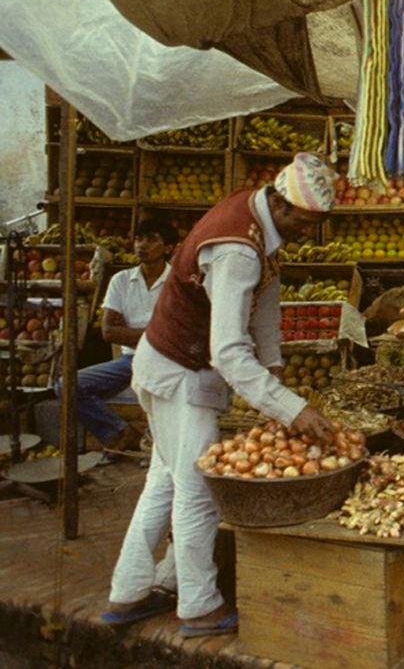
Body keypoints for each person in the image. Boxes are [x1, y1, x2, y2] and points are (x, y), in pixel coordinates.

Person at [104, 153, 338, 637]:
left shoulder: (256, 216)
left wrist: (273, 370)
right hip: (180, 373)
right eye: (304, 223)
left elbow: (265, 300)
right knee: (197, 490)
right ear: (281, 202)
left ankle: (130, 591)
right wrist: (291, 409)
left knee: (165, 481)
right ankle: (199, 607)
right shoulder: (237, 249)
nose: (306, 234)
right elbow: (229, 353)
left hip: (166, 362)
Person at [55, 218, 176, 454]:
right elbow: (108, 332)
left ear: (169, 248)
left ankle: (156, 447)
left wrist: (130, 333)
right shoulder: (121, 280)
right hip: (130, 361)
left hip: (167, 360)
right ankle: (119, 431)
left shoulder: (176, 282)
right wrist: (158, 333)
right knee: (67, 385)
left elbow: (177, 335)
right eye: (139, 239)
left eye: (152, 240)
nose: (142, 245)